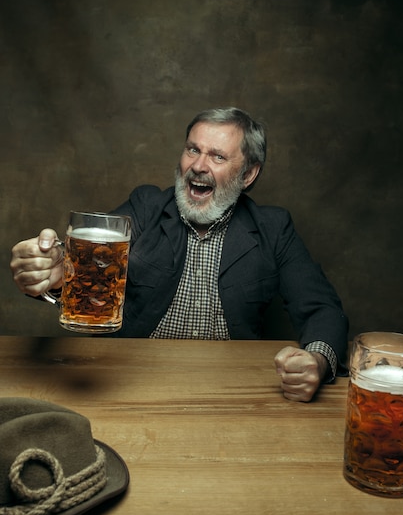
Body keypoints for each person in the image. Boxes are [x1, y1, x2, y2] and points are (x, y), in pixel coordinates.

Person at [10, 107, 348, 402]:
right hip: (133, 380)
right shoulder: (145, 207)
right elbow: (90, 272)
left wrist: (316, 362)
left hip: (235, 388)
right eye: (192, 150)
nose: (198, 166)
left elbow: (321, 308)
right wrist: (54, 278)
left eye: (217, 156)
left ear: (248, 174)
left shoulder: (274, 227)